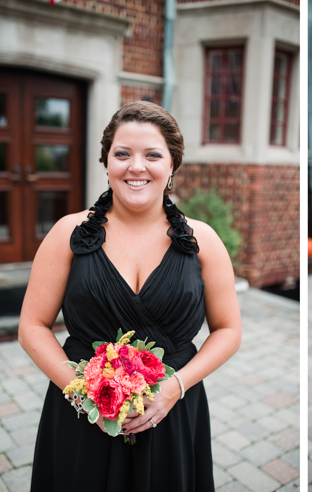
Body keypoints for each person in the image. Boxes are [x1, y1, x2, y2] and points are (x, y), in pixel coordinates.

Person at [18, 101, 242, 491]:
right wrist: (82, 392)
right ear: (106, 162)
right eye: (122, 154)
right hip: (81, 415)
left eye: (152, 155)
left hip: (172, 412)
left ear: (172, 165)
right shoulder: (67, 234)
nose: (136, 166)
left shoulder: (202, 240)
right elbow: (32, 326)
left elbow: (228, 330)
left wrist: (175, 388)